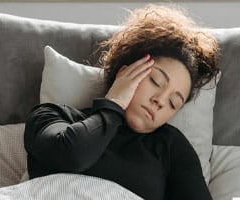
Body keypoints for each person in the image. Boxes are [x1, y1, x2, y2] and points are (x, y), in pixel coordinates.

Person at [24, 4, 219, 200]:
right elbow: (71, 156)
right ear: (124, 71)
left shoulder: (170, 146)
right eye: (155, 81)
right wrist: (115, 103)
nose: (160, 101)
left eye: (173, 103)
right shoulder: (52, 115)